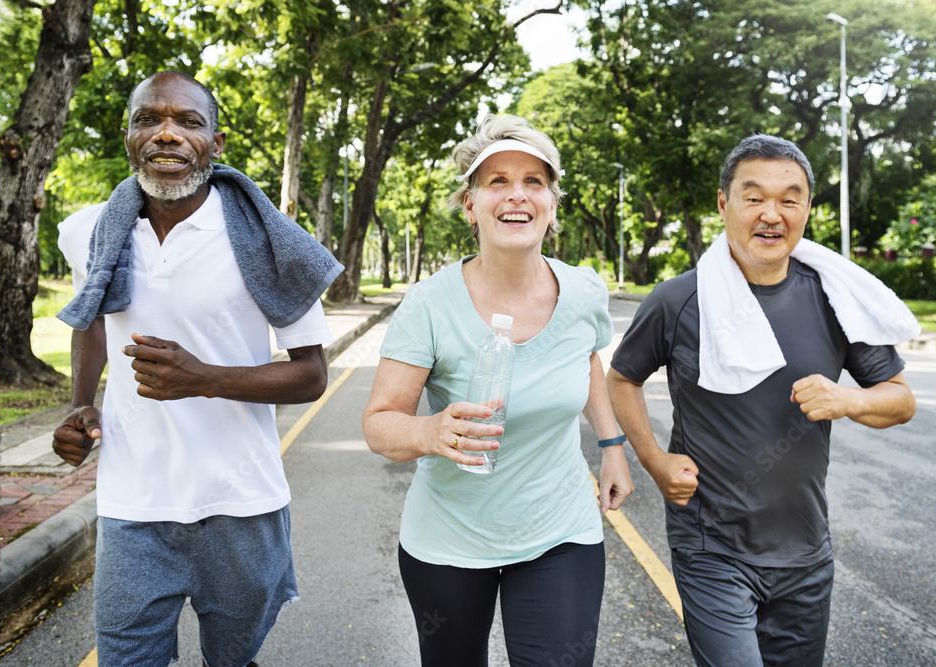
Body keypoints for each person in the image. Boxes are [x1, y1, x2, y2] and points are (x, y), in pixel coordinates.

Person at [52, 70, 343, 667]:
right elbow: (92, 318)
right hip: (133, 502)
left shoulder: (269, 241)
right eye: (148, 120)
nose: (167, 134)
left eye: (188, 121)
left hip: (240, 503)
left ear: (216, 142)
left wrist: (203, 379)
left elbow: (312, 375)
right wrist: (83, 404)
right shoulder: (89, 231)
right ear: (128, 134)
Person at [607, 133, 918, 667]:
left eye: (789, 198)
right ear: (724, 203)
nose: (771, 213)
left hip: (806, 552)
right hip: (712, 547)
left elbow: (900, 400)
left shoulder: (834, 298)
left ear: (807, 209)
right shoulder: (678, 300)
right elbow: (621, 379)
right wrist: (655, 461)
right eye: (754, 197)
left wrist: (848, 400)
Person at [362, 115, 633, 667]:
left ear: (552, 204)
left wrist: (612, 447)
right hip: (449, 540)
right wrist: (431, 430)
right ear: (470, 204)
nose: (518, 195)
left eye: (534, 181)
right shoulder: (429, 305)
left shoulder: (582, 290)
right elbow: (380, 423)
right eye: (498, 181)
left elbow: (585, 360)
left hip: (560, 529)